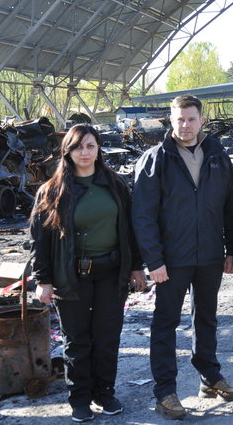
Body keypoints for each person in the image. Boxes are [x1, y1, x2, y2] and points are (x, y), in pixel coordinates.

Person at [132, 95, 233, 420]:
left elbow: (231, 208)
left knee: (206, 317)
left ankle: (209, 375)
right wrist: (154, 260)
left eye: (191, 119)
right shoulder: (156, 159)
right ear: (171, 119)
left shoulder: (218, 156)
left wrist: (232, 250)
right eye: (180, 119)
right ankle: (165, 392)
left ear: (201, 120)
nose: (186, 125)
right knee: (165, 323)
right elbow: (143, 215)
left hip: (209, 255)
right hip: (171, 260)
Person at [30, 124, 146, 423]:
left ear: (98, 149)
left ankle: (103, 392)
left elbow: (130, 230)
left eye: (90, 146)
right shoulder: (53, 190)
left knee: (107, 337)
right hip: (71, 276)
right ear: (67, 151)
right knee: (77, 341)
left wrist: (136, 266)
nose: (85, 152)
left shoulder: (115, 184)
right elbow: (39, 241)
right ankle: (80, 398)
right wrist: (42, 280)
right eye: (78, 146)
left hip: (111, 273)